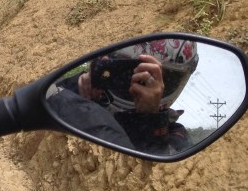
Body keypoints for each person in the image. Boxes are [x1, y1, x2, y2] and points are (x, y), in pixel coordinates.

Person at [50, 39, 197, 154]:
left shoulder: (174, 135)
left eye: (154, 77)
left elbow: (161, 170)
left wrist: (150, 118)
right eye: (123, 69)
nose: (134, 81)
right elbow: (46, 98)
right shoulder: (86, 92)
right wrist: (78, 85)